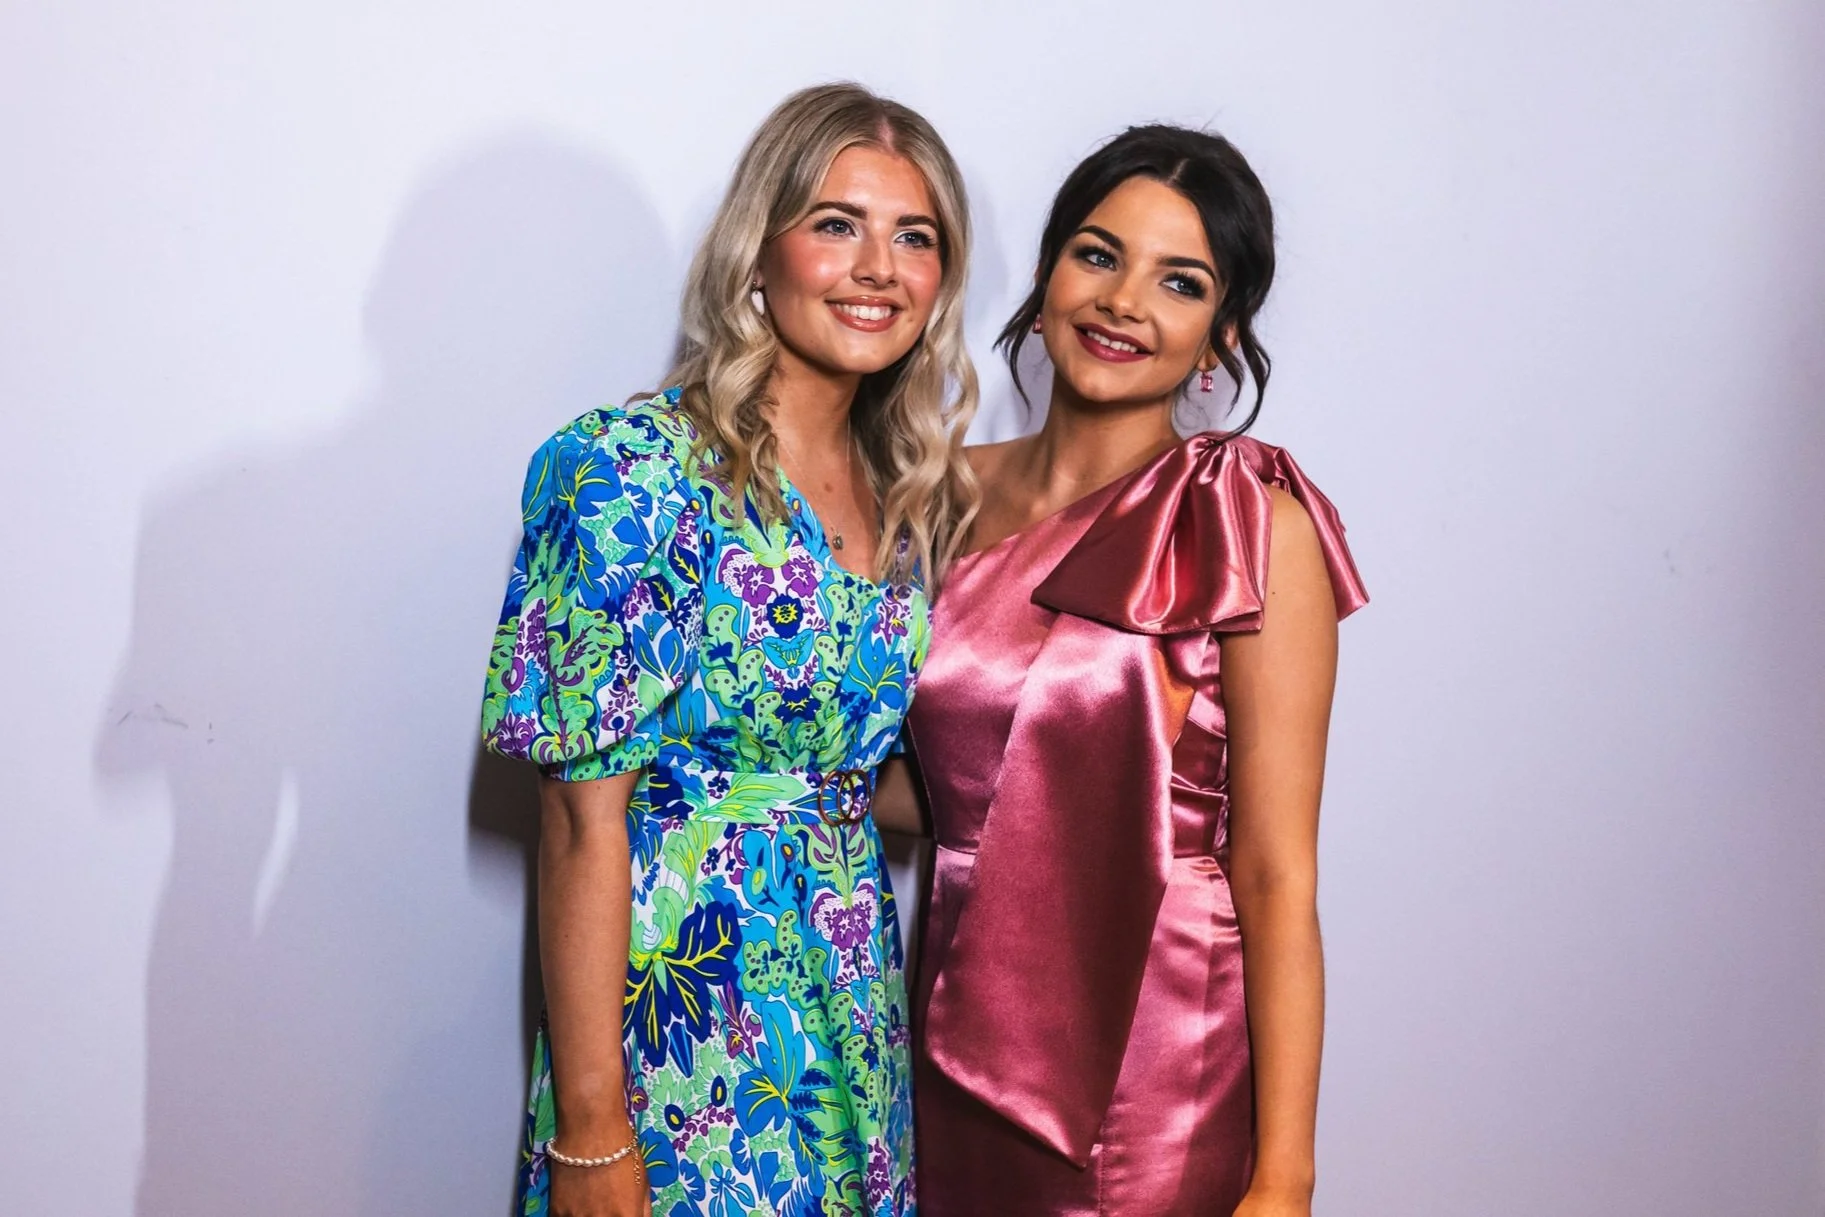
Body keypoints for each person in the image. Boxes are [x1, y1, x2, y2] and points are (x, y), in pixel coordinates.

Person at [481, 82, 977, 1217]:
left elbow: (846, 782)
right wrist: (594, 1131)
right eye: (837, 224)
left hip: (851, 1009)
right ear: (761, 250)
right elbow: (575, 818)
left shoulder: (913, 497)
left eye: (916, 237)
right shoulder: (630, 468)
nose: (878, 267)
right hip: (680, 1017)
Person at [877, 125, 1368, 1216]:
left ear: (1217, 336)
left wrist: (1284, 1176)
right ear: (1047, 275)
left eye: (1178, 280)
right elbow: (956, 785)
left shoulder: (1247, 519)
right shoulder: (933, 496)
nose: (1123, 300)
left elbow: (1279, 872)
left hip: (1160, 1039)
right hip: (954, 1016)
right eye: (1098, 255)